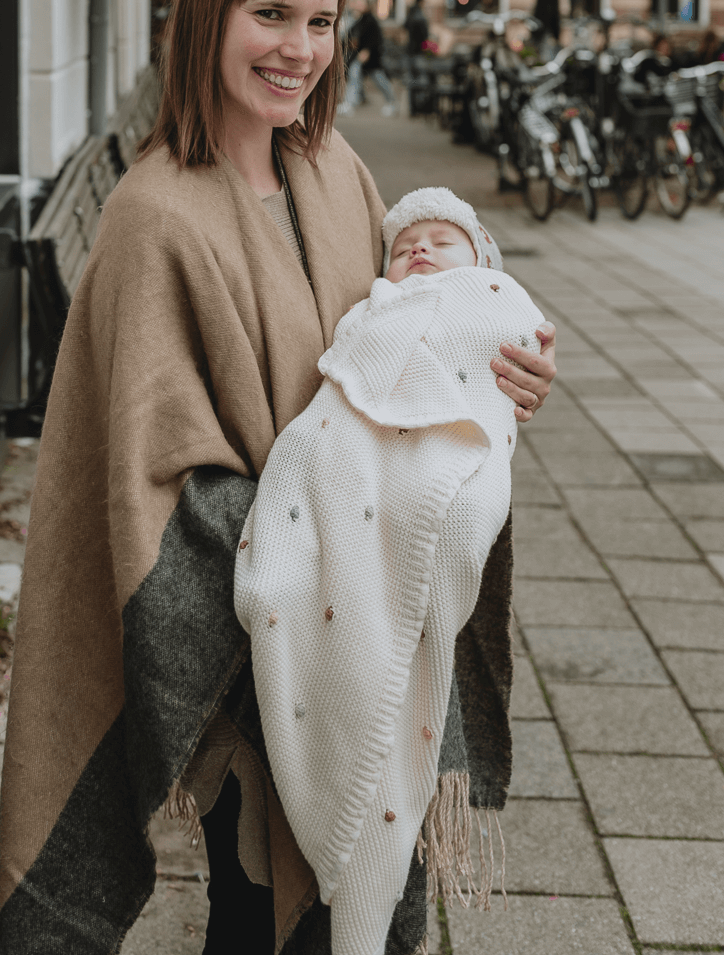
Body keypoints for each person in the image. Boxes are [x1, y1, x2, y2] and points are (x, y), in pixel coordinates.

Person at [0, 0, 557, 955]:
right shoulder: (156, 215)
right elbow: (150, 483)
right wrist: (331, 528)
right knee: (262, 915)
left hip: (359, 615)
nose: (297, 49)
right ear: (206, 15)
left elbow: (402, 339)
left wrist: (495, 363)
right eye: (268, 14)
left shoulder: (328, 167)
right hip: (259, 640)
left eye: (318, 20)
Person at [235, 188, 546, 955]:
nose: (419, 252)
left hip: (446, 447)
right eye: (405, 244)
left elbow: (502, 330)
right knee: (289, 551)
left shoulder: (479, 291)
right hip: (348, 443)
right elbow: (354, 355)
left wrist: (513, 348)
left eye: (442, 240)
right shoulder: (378, 304)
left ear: (479, 259)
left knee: (444, 517)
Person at [341, 0, 397, 116]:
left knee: (380, 81)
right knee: (354, 77)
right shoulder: (360, 20)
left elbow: (375, 39)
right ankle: (349, 103)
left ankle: (392, 103)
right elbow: (350, 35)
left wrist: (367, 51)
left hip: (371, 60)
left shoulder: (371, 20)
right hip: (360, 58)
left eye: (360, 3)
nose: (357, 5)